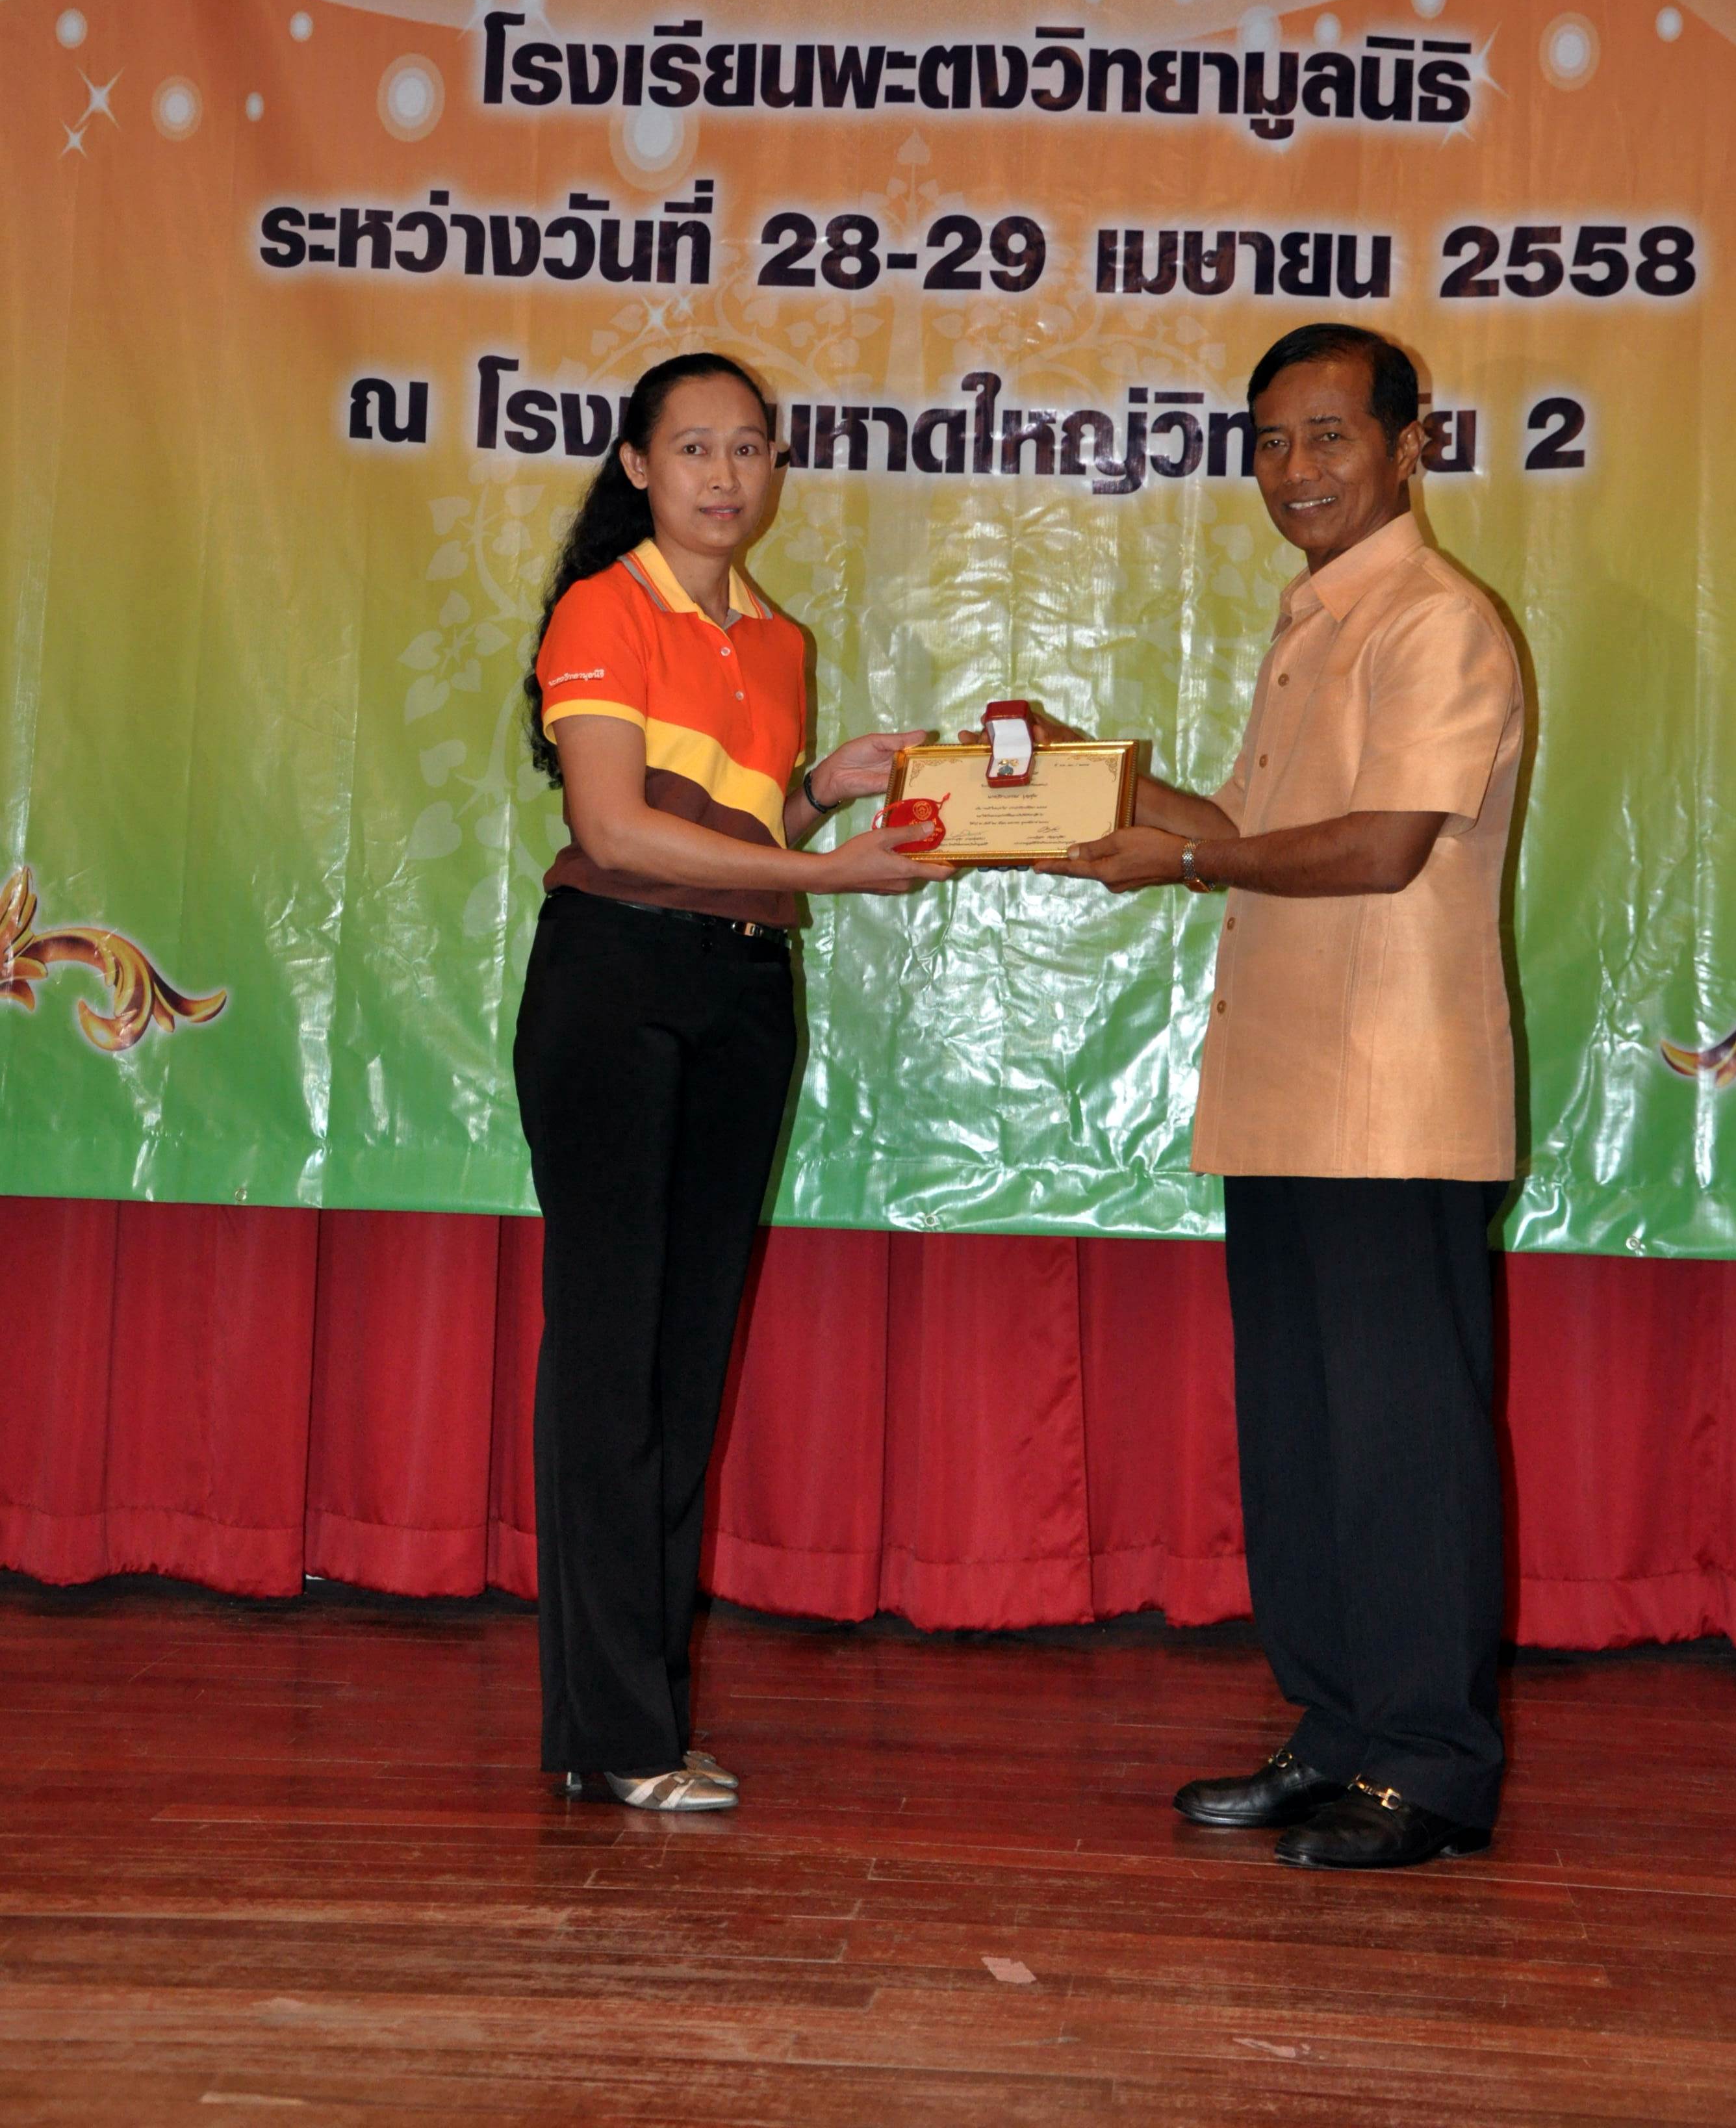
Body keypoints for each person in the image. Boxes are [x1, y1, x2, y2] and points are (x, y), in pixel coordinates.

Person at [1030, 322, 1524, 1869]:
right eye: (1268, 440)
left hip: (1393, 1099)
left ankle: (1430, 1763)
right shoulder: (1313, 619)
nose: (1294, 468)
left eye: (1327, 435)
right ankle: (1339, 1729)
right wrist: (1087, 777)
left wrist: (1181, 854)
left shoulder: (1434, 619)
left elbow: (1381, 844)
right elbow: (1245, 822)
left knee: (1401, 1439)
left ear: (1406, 444)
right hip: (1289, 1092)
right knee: (1305, 1435)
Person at [515, 350, 945, 1814]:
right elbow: (617, 831)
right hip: (616, 987)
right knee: (610, 1361)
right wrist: (823, 871)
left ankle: (632, 1721)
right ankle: (616, 1727)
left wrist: (821, 789)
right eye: (693, 447)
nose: (724, 474)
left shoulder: (776, 637)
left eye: (749, 447)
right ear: (637, 465)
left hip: (743, 992)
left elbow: (735, 829)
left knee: (683, 1359)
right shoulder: (602, 607)